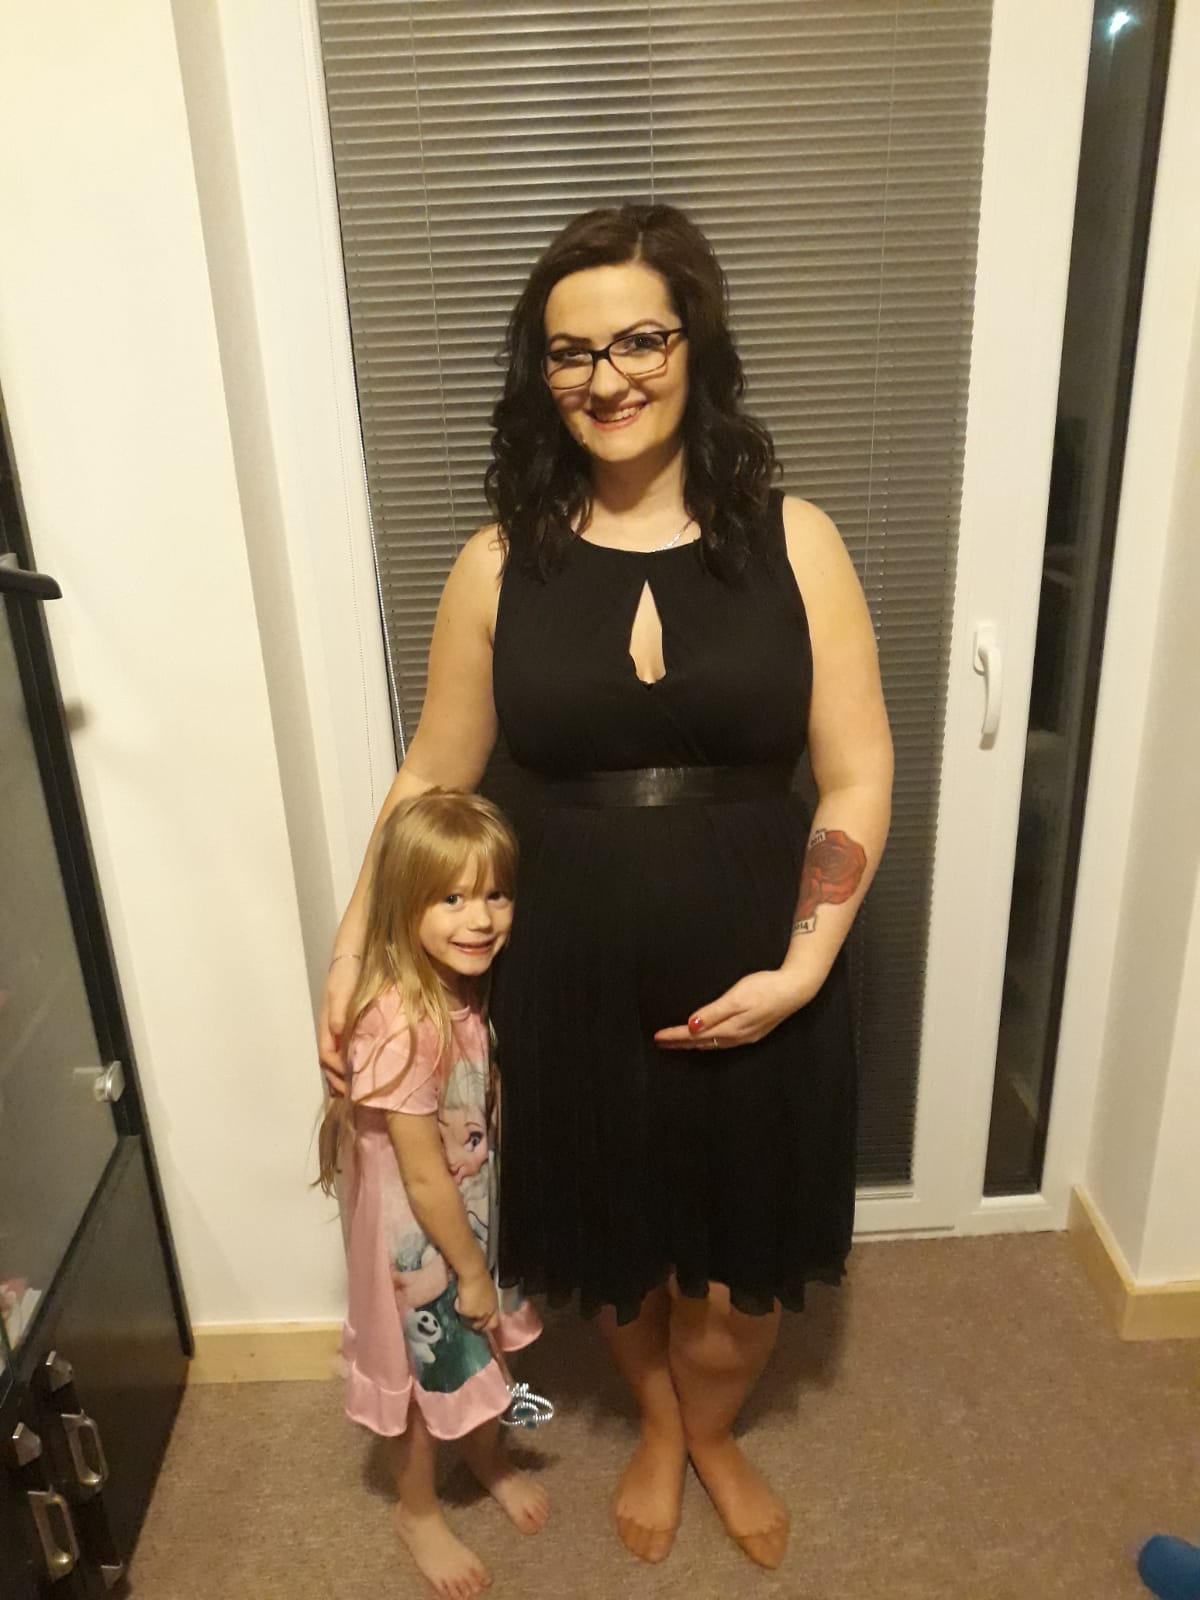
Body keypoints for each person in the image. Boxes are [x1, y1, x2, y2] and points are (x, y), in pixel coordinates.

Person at [319, 203, 893, 1572]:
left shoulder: (798, 542)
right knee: (622, 1243)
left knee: (740, 1266)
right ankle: (660, 1423)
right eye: (572, 351)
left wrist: (805, 965)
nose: (609, 377)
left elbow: (858, 771)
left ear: (696, 346)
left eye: (641, 340)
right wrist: (351, 955)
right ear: (544, 373)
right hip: (563, 969)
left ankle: (714, 1424)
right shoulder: (498, 562)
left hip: (764, 960)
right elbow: (432, 774)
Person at [318, 790, 546, 1599]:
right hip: (413, 1242)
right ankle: (416, 1510)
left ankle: (483, 1454)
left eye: (495, 894)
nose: (479, 918)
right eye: (451, 898)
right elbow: (419, 1175)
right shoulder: (406, 1023)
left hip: (461, 1212)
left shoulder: (459, 988)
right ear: (404, 904)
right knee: (421, 1375)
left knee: (478, 1344)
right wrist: (471, 1271)